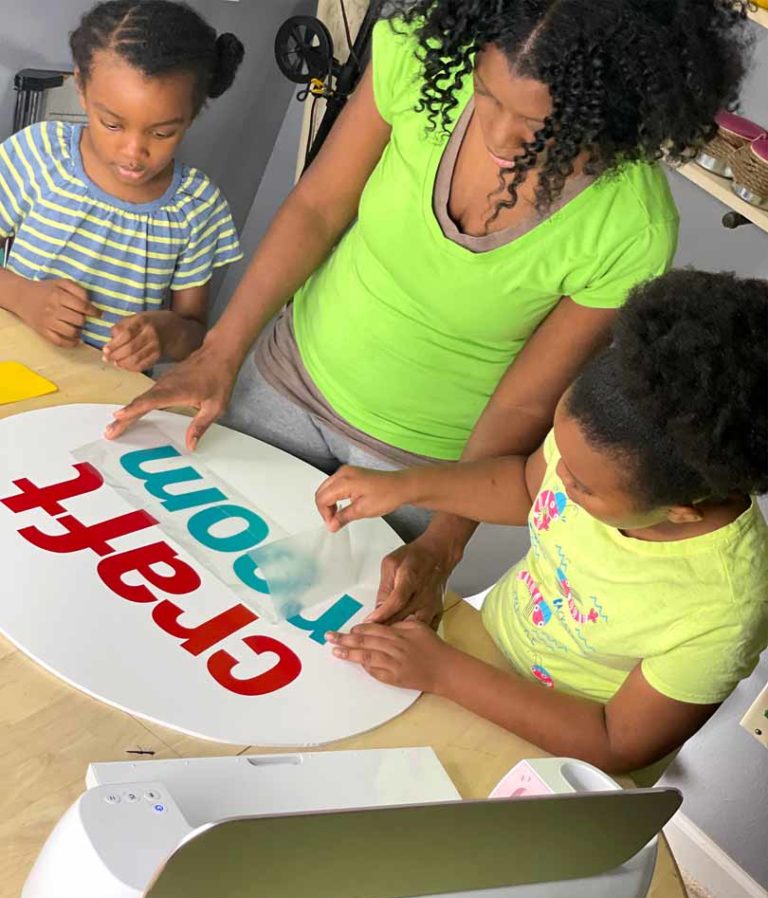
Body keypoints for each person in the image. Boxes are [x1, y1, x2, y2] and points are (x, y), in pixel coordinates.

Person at [106, 0, 751, 620]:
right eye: (486, 93)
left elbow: (522, 406)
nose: (500, 135)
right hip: (281, 380)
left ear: (610, 113)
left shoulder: (630, 225)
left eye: (538, 126)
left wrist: (444, 542)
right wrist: (220, 351)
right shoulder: (421, 59)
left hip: (417, 474)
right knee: (168, 577)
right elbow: (316, 209)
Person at [315, 270, 768, 781]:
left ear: (681, 509)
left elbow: (616, 743)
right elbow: (530, 489)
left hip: (566, 756)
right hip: (480, 649)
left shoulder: (726, 606)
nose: (561, 477)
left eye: (583, 486)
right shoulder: (601, 442)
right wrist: (406, 486)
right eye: (560, 452)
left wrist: (442, 671)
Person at [0, 0, 244, 372]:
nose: (133, 152)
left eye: (162, 133)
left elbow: (193, 332)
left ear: (192, 115)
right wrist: (22, 296)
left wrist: (164, 335)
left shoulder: (198, 207)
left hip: (106, 396)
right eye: (112, 125)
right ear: (81, 88)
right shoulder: (39, 153)